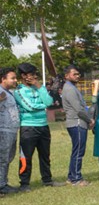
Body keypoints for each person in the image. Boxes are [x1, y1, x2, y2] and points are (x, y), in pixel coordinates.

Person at [14, 63, 64, 191]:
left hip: (43, 126)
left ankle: (47, 180)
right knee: (26, 156)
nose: (35, 77)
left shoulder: (39, 88)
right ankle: (24, 183)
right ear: (24, 76)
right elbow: (30, 107)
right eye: (32, 75)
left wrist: (39, 87)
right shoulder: (19, 91)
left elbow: (49, 102)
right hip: (28, 127)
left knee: (45, 155)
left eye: (35, 75)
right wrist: (43, 106)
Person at [61, 65, 94, 186]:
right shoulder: (69, 89)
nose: (77, 76)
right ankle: (76, 178)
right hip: (77, 122)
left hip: (78, 122)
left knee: (77, 150)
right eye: (74, 74)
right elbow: (79, 110)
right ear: (67, 76)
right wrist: (90, 120)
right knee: (79, 151)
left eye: (78, 74)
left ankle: (71, 176)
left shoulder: (72, 87)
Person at [0, 67, 20, 195]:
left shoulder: (9, 92)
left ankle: (3, 182)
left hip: (12, 130)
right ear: (3, 79)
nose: (15, 80)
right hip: (3, 130)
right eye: (12, 78)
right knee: (2, 158)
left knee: (8, 158)